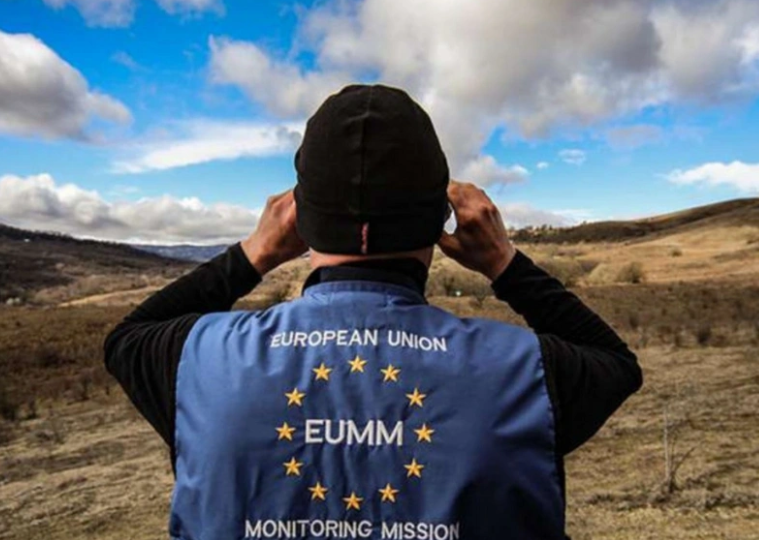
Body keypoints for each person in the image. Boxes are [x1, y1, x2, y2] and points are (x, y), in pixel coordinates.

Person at [104, 84, 642, 540]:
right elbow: (615, 363)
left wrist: (253, 254)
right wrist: (504, 262)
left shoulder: (200, 361)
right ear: (441, 220)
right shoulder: (524, 372)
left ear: (298, 219)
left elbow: (127, 338)